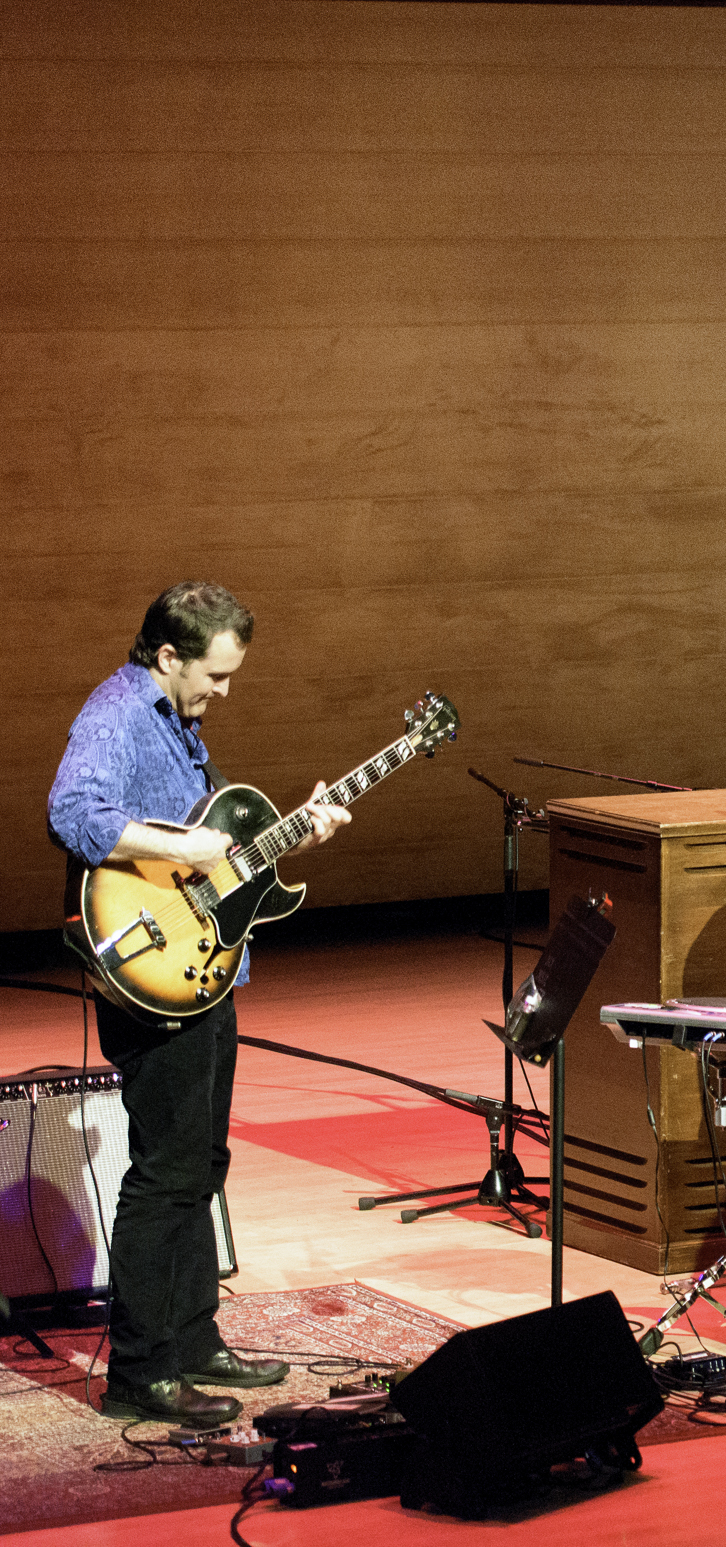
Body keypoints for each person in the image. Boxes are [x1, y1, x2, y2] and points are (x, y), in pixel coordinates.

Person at [48, 583, 350, 1428]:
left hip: (207, 974)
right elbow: (73, 812)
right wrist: (178, 843)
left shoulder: (177, 721)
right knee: (164, 1176)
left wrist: (300, 827)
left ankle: (195, 1340)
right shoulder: (115, 713)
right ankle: (141, 1373)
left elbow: (219, 850)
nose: (224, 691)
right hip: (151, 975)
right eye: (214, 675)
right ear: (168, 655)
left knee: (201, 1168)